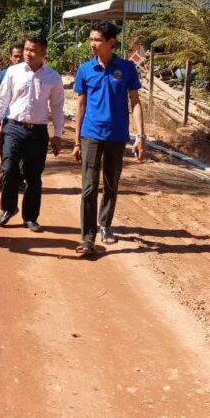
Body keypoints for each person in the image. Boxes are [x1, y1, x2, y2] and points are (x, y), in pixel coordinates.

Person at [72, 21, 146, 255]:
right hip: (91, 134)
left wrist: (140, 136)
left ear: (111, 42)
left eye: (97, 40)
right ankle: (87, 237)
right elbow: (80, 106)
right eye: (91, 39)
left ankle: (105, 224)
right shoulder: (85, 69)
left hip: (117, 135)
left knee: (111, 183)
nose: (92, 44)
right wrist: (76, 141)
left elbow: (135, 103)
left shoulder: (126, 68)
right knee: (89, 187)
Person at [0, 34, 65, 233]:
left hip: (37, 132)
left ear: (43, 52)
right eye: (26, 49)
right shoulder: (13, 72)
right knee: (9, 170)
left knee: (33, 176)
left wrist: (58, 134)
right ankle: (8, 208)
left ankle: (30, 217)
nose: (28, 54)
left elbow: (57, 107)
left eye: (33, 50)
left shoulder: (53, 77)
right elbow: (2, 99)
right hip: (13, 127)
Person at [0, 43, 25, 190]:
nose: (18, 59)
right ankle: (7, 177)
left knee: (23, 154)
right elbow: (1, 97)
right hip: (8, 119)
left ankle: (16, 179)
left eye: (21, 56)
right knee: (7, 151)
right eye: (15, 56)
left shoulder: (32, 73)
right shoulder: (5, 73)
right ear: (10, 57)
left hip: (25, 119)